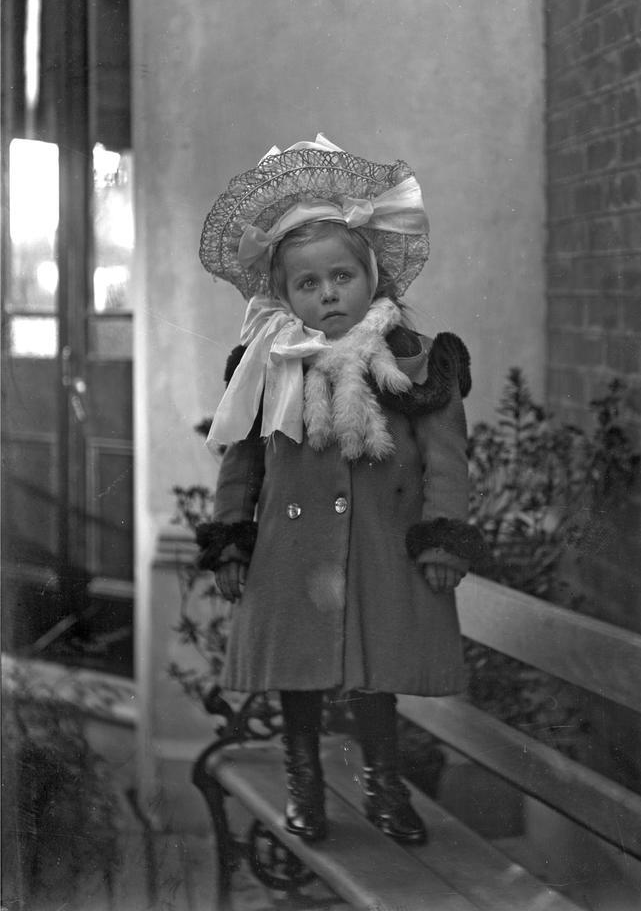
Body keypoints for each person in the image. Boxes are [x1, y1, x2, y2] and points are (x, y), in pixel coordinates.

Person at [196, 133, 487, 846]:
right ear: (285, 295)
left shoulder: (415, 368)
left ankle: (384, 788)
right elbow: (244, 462)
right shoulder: (270, 370)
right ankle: (305, 787)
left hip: (378, 549)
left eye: (342, 277)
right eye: (308, 283)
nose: (328, 294)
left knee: (372, 676)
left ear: (372, 279)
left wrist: (443, 535)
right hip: (295, 555)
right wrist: (232, 536)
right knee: (299, 674)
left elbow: (447, 460)